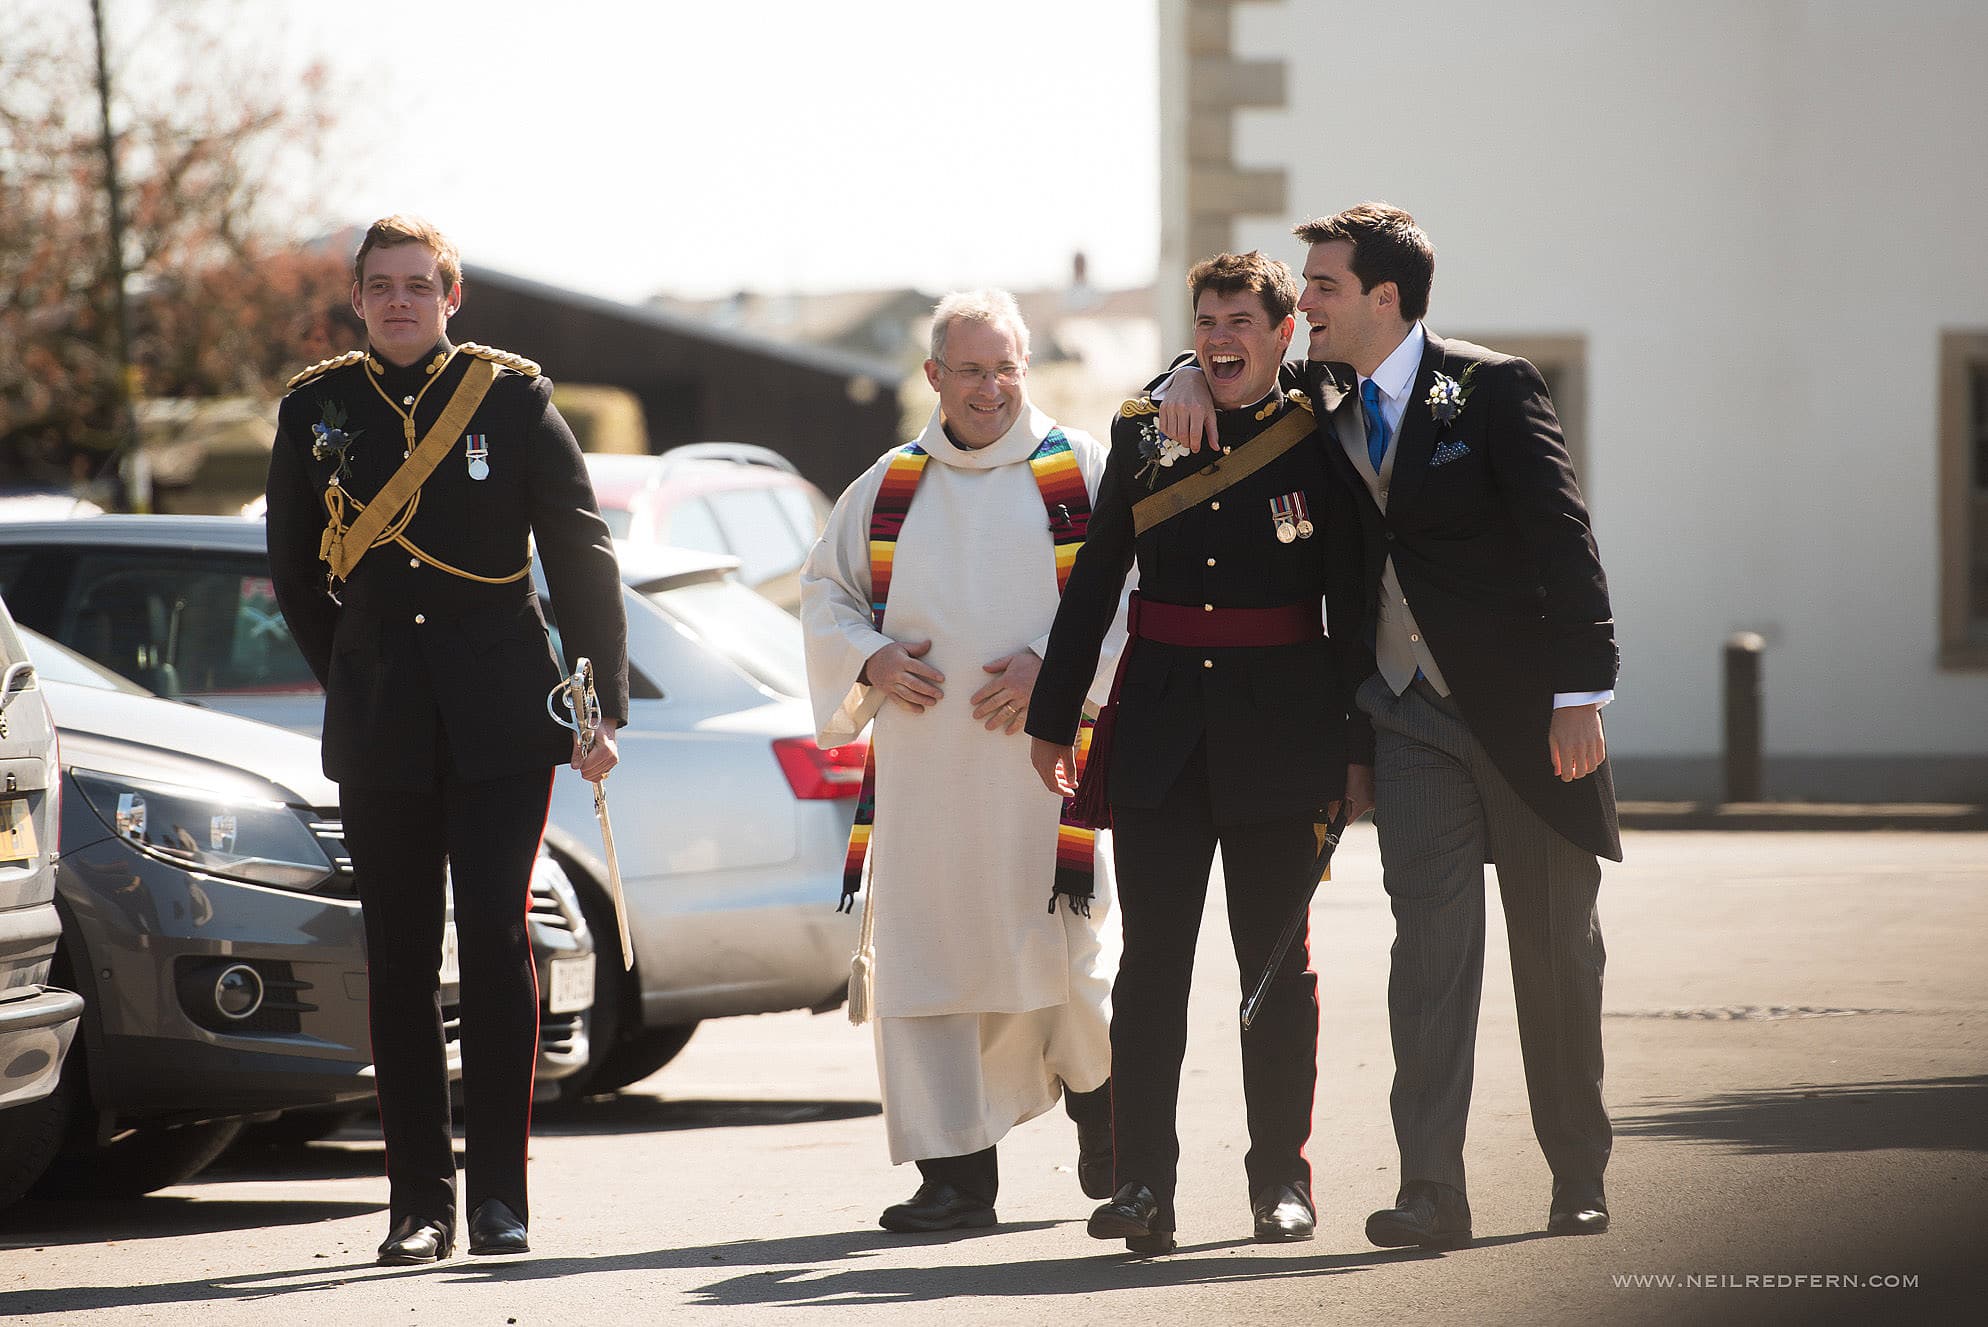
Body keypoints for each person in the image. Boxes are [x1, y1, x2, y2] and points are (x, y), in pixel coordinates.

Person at [1158, 203, 1621, 1247]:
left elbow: (1563, 537)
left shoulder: (1490, 387)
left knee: (1554, 957)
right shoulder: (1317, 392)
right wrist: (1179, 379)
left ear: (1382, 297)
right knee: (1425, 961)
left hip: (1524, 717)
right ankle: (1430, 1192)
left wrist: (1579, 692)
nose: (1300, 304)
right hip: (1403, 718)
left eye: (1318, 287)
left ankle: (1575, 1174)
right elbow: (1219, 371)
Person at [265, 215, 628, 1265]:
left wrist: (593, 707)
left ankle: (500, 1201)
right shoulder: (317, 406)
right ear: (358, 298)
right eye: (380, 286)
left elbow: (580, 549)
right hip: (382, 724)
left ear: (450, 296)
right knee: (397, 959)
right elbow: (295, 570)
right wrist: (358, 675)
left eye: (419, 285)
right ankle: (417, 1204)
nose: (399, 302)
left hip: (505, 721)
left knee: (498, 944)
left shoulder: (510, 399)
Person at [1026, 252, 1369, 1254]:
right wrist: (1054, 721)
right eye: (1203, 322)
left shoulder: (1320, 425)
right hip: (1162, 737)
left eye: (1237, 323)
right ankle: (1143, 1187)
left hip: (1283, 735)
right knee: (1150, 976)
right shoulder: (1144, 428)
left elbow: (1347, 605)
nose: (1220, 339)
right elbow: (1093, 584)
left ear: (1277, 331)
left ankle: (1280, 1183)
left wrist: (1357, 751)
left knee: (1272, 971)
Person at [801, 290, 1122, 1235]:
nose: (993, 388)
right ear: (934, 376)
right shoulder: (889, 484)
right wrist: (871, 656)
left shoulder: (1079, 471)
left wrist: (1053, 671)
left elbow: (1133, 598)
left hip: (1043, 778)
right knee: (933, 961)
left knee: (1075, 959)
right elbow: (827, 594)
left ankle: (1110, 1126)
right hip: (929, 783)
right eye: (972, 369)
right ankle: (954, 1179)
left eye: (1009, 366)